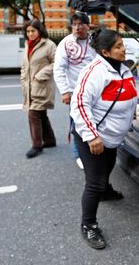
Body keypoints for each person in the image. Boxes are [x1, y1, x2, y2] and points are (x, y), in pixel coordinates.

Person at [70, 29, 139, 249]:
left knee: (108, 166)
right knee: (94, 182)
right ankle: (88, 225)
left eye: (123, 44)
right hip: (93, 136)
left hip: (112, 137)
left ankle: (106, 191)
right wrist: (91, 136)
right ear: (105, 51)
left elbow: (125, 96)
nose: (123, 49)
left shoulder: (123, 70)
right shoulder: (95, 72)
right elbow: (79, 104)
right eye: (118, 47)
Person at [54, 11, 97, 169]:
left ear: (88, 26)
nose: (78, 28)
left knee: (94, 120)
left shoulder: (94, 42)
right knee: (77, 122)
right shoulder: (66, 43)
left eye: (81, 24)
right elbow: (58, 69)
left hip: (94, 90)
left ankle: (93, 149)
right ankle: (78, 154)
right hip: (75, 91)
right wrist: (65, 91)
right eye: (75, 25)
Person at [21, 19, 58, 158]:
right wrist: (23, 79)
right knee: (41, 114)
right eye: (28, 31)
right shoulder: (27, 45)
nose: (30, 34)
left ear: (39, 31)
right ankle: (50, 140)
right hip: (29, 86)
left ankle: (37, 145)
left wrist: (42, 74)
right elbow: (25, 66)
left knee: (33, 113)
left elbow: (57, 63)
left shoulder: (49, 45)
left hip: (42, 85)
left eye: (33, 31)